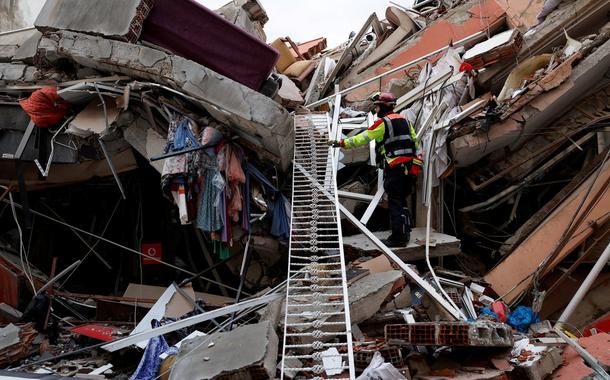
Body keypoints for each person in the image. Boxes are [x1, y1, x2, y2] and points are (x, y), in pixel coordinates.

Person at [328, 92, 423, 247]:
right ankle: (405, 232)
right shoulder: (405, 120)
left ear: (384, 107)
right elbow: (415, 143)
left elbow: (363, 138)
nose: (376, 110)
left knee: (395, 202)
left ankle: (398, 238)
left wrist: (341, 143)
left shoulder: (383, 123)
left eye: (377, 107)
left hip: (395, 168)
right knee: (401, 201)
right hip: (409, 168)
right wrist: (417, 163)